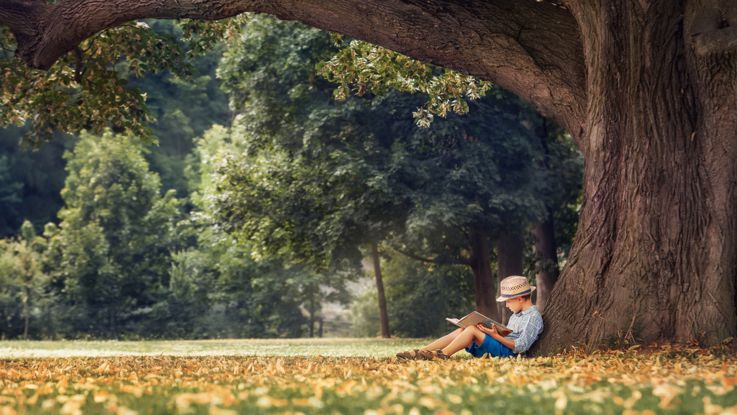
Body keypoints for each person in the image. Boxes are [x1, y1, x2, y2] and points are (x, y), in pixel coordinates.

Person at [396, 275, 544, 360]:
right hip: (502, 346)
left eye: (508, 301)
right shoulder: (516, 315)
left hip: (509, 353)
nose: (506, 305)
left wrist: (494, 335)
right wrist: (491, 331)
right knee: (464, 329)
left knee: (472, 329)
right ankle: (421, 352)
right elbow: (509, 335)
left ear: (519, 298)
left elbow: (521, 346)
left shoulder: (533, 317)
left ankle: (441, 355)